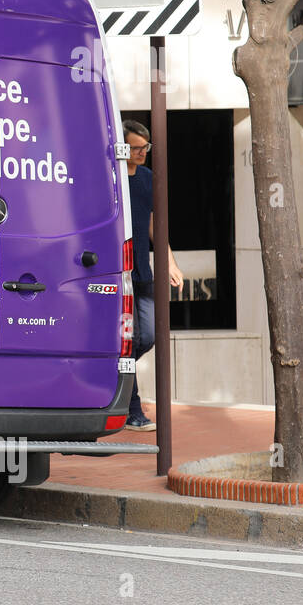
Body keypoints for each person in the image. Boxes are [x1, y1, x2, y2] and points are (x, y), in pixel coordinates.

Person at [123, 119, 182, 431]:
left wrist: (170, 263)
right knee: (129, 341)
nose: (141, 152)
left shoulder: (146, 178)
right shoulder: (113, 178)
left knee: (149, 334)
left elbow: (153, 226)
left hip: (143, 273)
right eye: (135, 148)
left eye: (145, 147)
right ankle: (133, 410)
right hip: (119, 273)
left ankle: (117, 368)